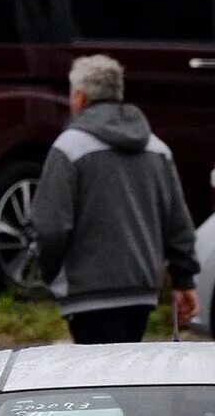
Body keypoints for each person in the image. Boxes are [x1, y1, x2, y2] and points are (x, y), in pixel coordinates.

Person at [33, 54, 198, 345]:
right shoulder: (157, 148)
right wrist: (183, 279)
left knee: (97, 381)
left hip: (87, 293)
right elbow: (177, 223)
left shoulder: (69, 147)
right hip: (141, 291)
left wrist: (52, 272)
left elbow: (51, 226)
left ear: (81, 98)